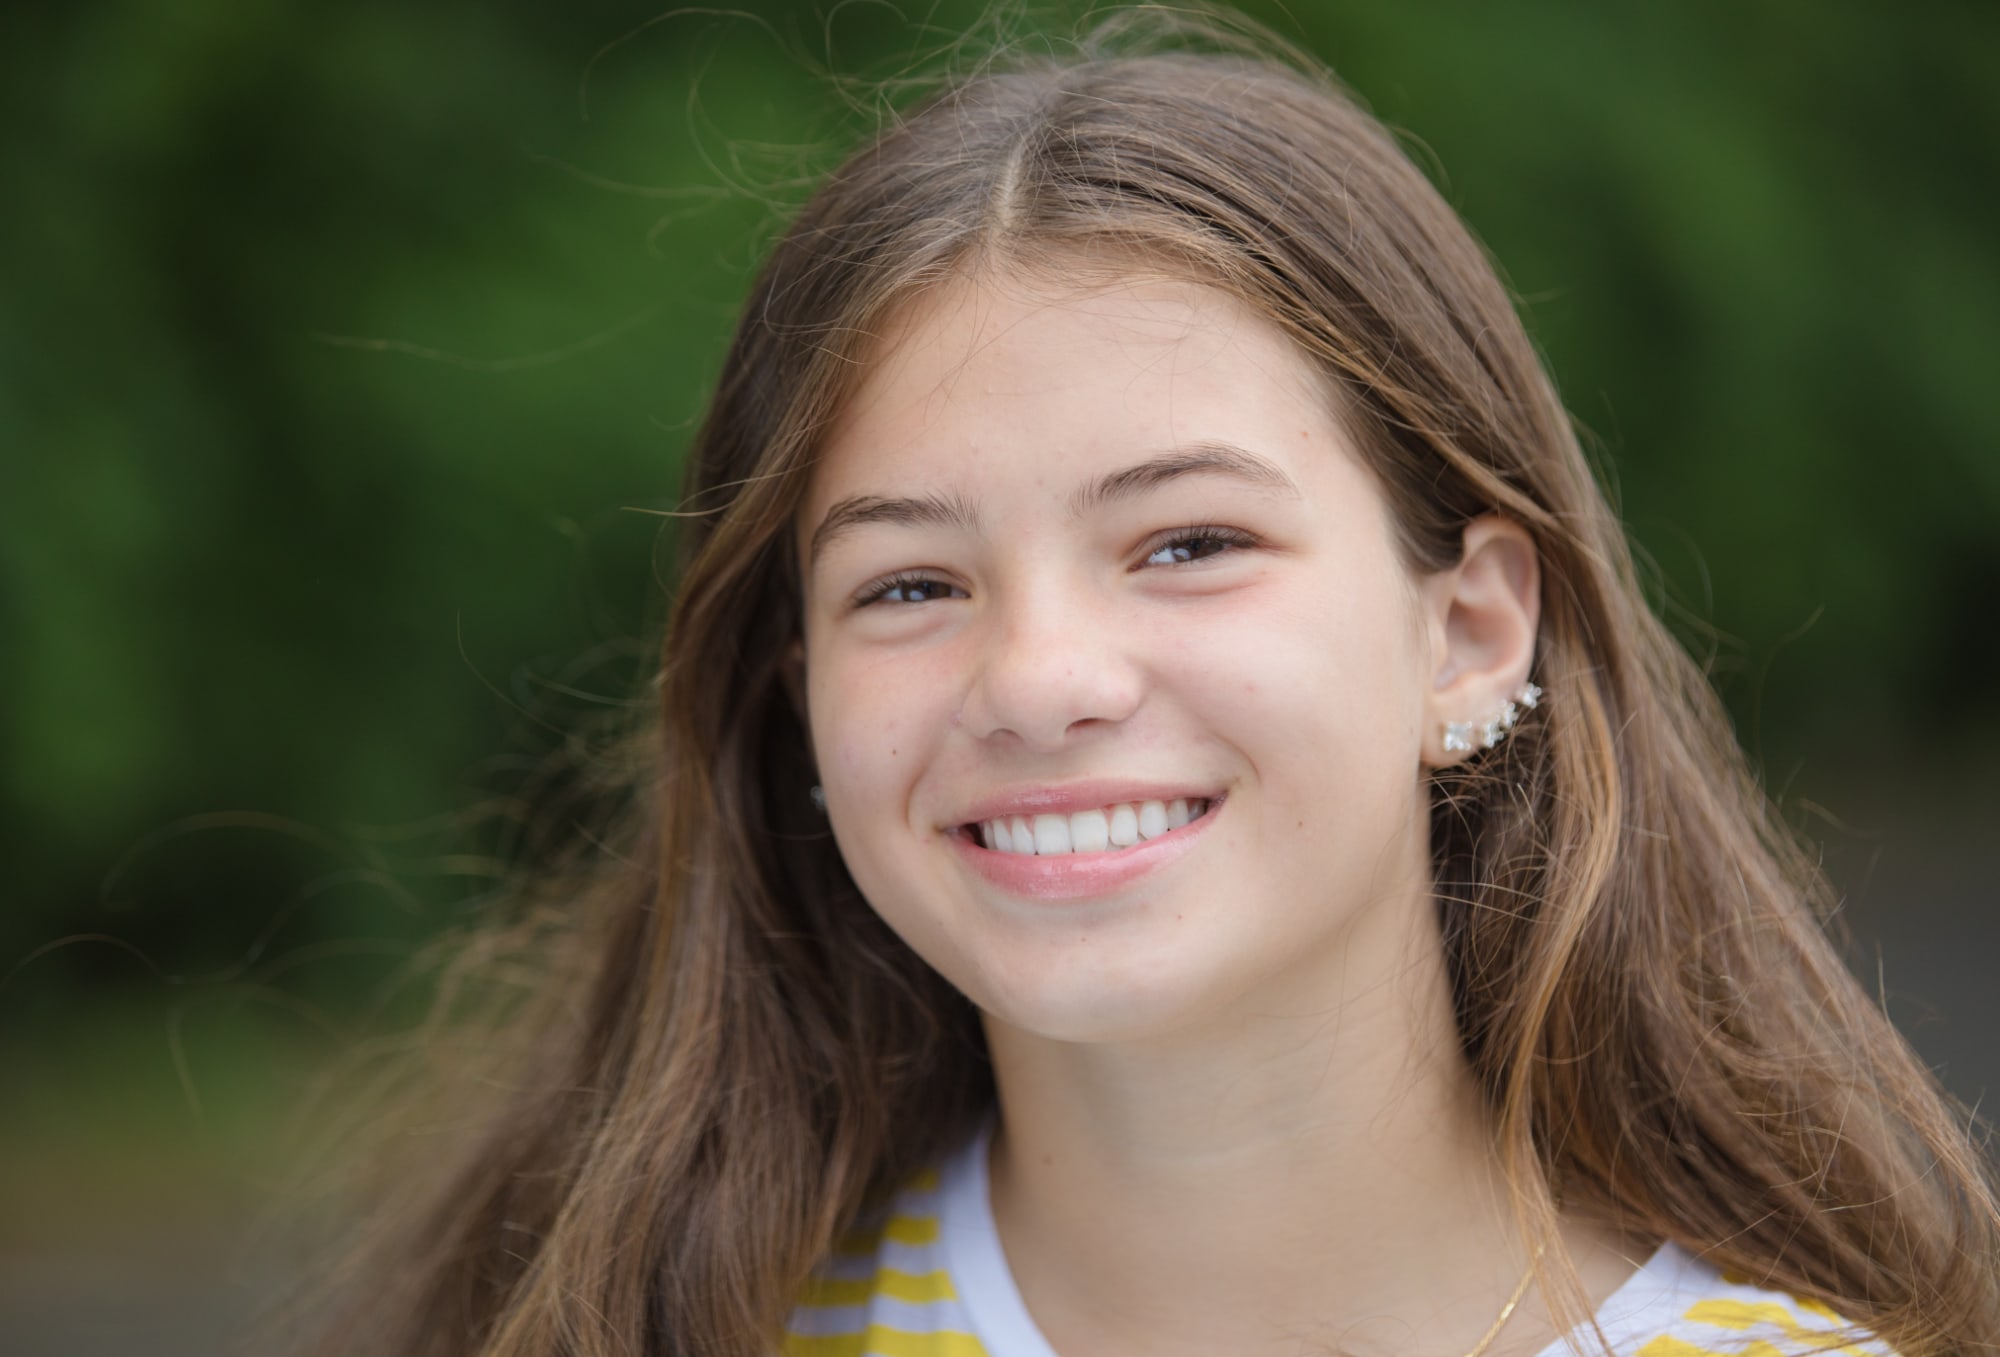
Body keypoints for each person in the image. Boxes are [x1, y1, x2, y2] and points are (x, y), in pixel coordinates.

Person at [295, 10, 2000, 1357]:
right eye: (910, 582)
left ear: (1470, 630)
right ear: (796, 698)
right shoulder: (649, 1330)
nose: (1038, 678)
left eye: (1187, 542)